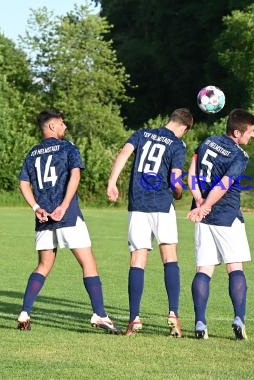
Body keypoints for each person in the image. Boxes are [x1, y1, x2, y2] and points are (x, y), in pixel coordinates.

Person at [17, 109, 120, 333]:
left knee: (43, 265)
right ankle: (100, 314)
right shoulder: (68, 147)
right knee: (88, 263)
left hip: (44, 218)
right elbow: (75, 175)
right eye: (62, 123)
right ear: (52, 126)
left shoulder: (32, 153)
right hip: (67, 216)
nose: (65, 127)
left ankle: (25, 311)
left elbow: (23, 183)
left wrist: (36, 207)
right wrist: (63, 207)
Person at [106, 108, 194, 337]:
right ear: (184, 127)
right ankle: (173, 315)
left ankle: (134, 318)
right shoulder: (177, 144)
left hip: (138, 204)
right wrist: (178, 193)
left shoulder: (142, 134)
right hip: (162, 204)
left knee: (138, 258)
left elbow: (124, 154)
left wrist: (112, 182)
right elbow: (175, 180)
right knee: (169, 256)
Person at [186, 109, 254, 340]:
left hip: (202, 216)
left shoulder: (208, 141)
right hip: (226, 215)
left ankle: (199, 323)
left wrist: (198, 201)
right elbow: (225, 184)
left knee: (204, 269)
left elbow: (191, 172)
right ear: (237, 132)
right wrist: (206, 205)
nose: (252, 136)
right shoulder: (240, 155)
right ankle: (239, 318)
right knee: (234, 267)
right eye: (250, 132)